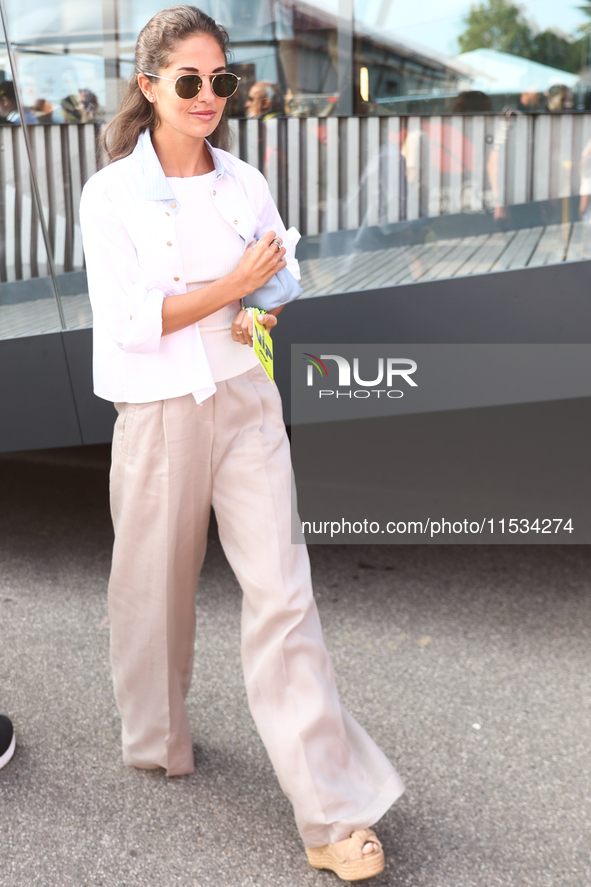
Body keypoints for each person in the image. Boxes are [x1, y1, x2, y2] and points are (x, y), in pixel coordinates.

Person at [79, 6, 404, 881]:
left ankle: (331, 811)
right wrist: (234, 283)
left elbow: (278, 276)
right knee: (153, 592)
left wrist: (265, 292)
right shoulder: (109, 194)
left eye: (220, 80)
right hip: (156, 410)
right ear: (148, 87)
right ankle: (155, 736)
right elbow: (133, 319)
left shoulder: (243, 180)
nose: (208, 96)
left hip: (245, 397)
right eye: (189, 80)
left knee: (284, 596)